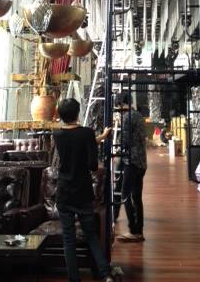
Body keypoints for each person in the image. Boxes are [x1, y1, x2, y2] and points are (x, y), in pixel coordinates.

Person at [53, 98, 115, 282]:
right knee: (91, 235)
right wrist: (100, 139)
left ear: (61, 115)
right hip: (83, 192)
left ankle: (74, 279)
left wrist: (100, 137)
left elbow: (77, 142)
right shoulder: (87, 133)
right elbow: (92, 165)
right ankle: (105, 274)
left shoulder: (57, 134)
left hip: (64, 193)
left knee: (68, 239)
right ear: (78, 113)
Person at [115, 93, 147, 242]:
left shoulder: (127, 117)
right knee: (137, 197)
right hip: (141, 161)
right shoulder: (139, 116)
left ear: (122, 103)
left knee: (125, 195)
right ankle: (138, 231)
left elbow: (125, 141)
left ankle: (133, 230)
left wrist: (117, 149)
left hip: (131, 161)